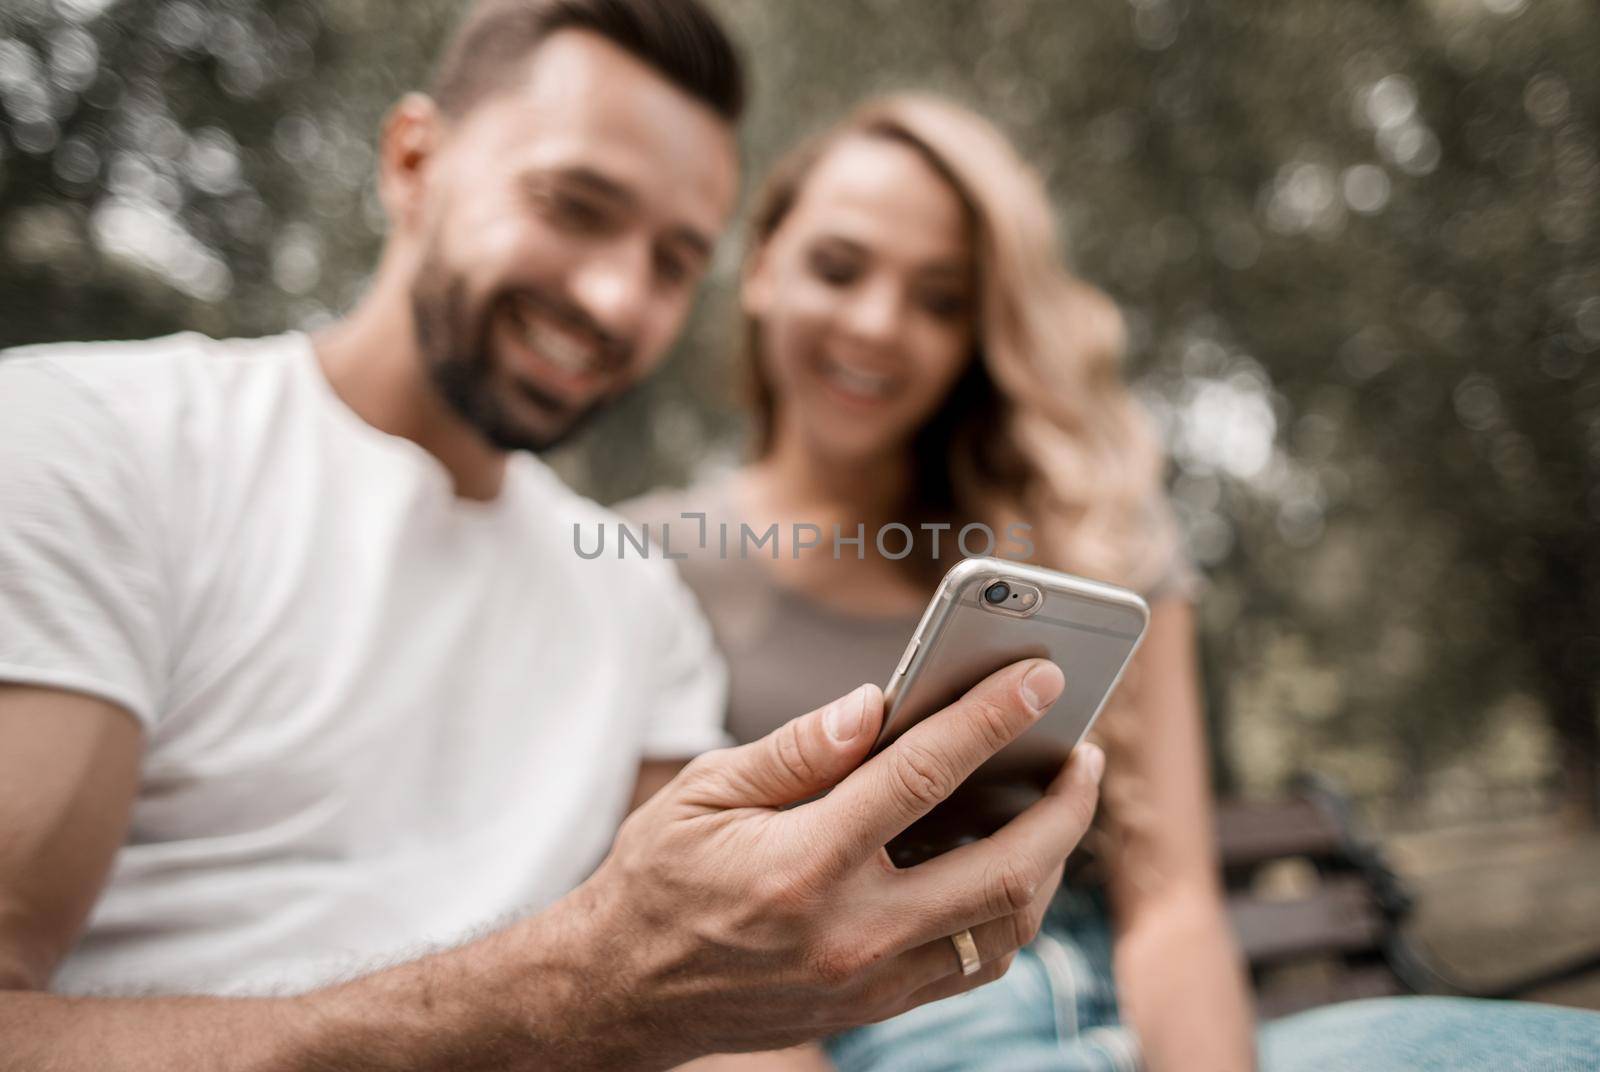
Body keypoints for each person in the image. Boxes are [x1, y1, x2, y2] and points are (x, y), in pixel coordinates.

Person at [0, 5, 1109, 1069]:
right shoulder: (90, 447)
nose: (618, 298)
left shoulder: (636, 600)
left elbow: (727, 1021)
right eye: (574, 205)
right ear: (413, 161)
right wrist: (578, 991)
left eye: (675, 260)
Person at [622, 95, 1600, 1071]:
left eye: (942, 298)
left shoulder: (1080, 528)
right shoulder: (647, 557)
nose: (879, 325)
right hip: (891, 1033)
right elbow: (710, 984)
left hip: (1153, 1018)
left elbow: (1170, 903)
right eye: (838, 269)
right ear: (759, 267)